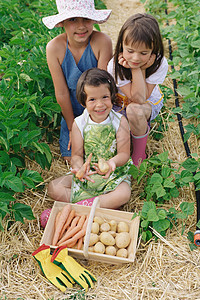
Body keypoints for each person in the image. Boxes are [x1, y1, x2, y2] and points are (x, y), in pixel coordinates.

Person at [47, 68, 133, 209]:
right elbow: (76, 155)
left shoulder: (120, 121)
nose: (100, 104)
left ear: (112, 96)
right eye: (92, 99)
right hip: (88, 174)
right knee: (53, 188)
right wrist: (80, 169)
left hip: (112, 175)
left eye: (104, 97)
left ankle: (83, 205)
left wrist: (112, 163)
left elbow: (124, 154)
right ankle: (99, 203)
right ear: (83, 102)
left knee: (124, 193)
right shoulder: (79, 123)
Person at [42, 0, 113, 163]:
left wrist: (93, 126)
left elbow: (104, 90)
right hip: (72, 113)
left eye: (86, 19)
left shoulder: (102, 42)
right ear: (62, 23)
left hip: (100, 110)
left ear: (93, 20)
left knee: (100, 156)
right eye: (73, 20)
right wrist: (72, 126)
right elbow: (61, 93)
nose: (81, 26)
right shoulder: (54, 48)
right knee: (70, 157)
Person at [107, 13, 168, 165]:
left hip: (145, 104)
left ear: (154, 49)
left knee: (135, 110)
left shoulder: (160, 63)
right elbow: (131, 96)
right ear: (121, 45)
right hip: (120, 103)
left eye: (143, 53)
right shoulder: (114, 64)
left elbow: (140, 99)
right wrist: (140, 66)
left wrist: (136, 69)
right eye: (130, 51)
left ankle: (139, 155)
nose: (135, 58)